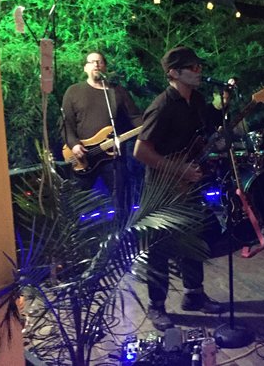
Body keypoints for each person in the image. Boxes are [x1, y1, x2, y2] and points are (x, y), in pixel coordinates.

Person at [133, 46, 224, 331]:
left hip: (187, 185)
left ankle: (194, 295)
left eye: (199, 66)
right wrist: (179, 169)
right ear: (173, 73)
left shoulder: (196, 101)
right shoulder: (162, 105)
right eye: (192, 67)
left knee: (193, 239)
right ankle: (156, 305)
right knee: (160, 248)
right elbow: (140, 151)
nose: (199, 71)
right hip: (163, 188)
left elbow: (195, 140)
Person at [61, 51, 142, 210]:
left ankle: (122, 224)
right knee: (77, 204)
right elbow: (66, 124)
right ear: (85, 68)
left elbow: (134, 116)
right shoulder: (73, 91)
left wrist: (148, 126)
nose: (96, 65)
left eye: (99, 62)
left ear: (105, 67)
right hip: (84, 157)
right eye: (92, 62)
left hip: (113, 158)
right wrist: (74, 145)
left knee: (122, 202)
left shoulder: (117, 91)